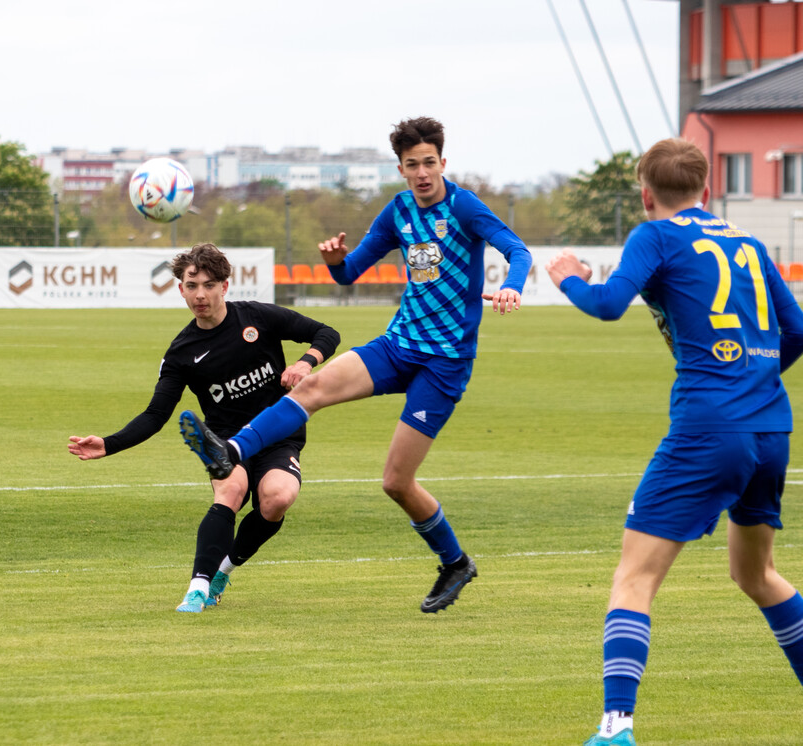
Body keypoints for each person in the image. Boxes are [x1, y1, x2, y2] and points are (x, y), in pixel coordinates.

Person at [179, 116, 532, 614]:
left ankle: (455, 562)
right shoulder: (399, 211)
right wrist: (334, 258)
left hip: (444, 364)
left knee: (395, 482)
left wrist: (514, 284)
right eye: (413, 165)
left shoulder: (464, 207)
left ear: (443, 163)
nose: (423, 173)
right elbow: (349, 273)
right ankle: (230, 451)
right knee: (309, 389)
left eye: (430, 162)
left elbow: (516, 248)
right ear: (402, 169)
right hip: (398, 344)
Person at [545, 138, 803, 746]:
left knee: (634, 579)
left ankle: (615, 729)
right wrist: (752, 376)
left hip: (707, 429)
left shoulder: (654, 235)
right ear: (707, 190)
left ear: (646, 195)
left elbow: (608, 305)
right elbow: (796, 332)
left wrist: (571, 281)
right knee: (758, 575)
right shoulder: (748, 242)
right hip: (770, 429)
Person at [68, 243, 340, 613]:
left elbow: (326, 333)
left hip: (278, 434)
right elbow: (155, 414)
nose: (200, 294)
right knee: (232, 489)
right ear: (180, 289)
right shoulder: (182, 353)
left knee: (278, 499)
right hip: (226, 442)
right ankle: (196, 589)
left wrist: (308, 361)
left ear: (225, 287)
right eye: (191, 285)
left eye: (209, 285)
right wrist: (109, 444)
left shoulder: (257, 317)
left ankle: (222, 573)